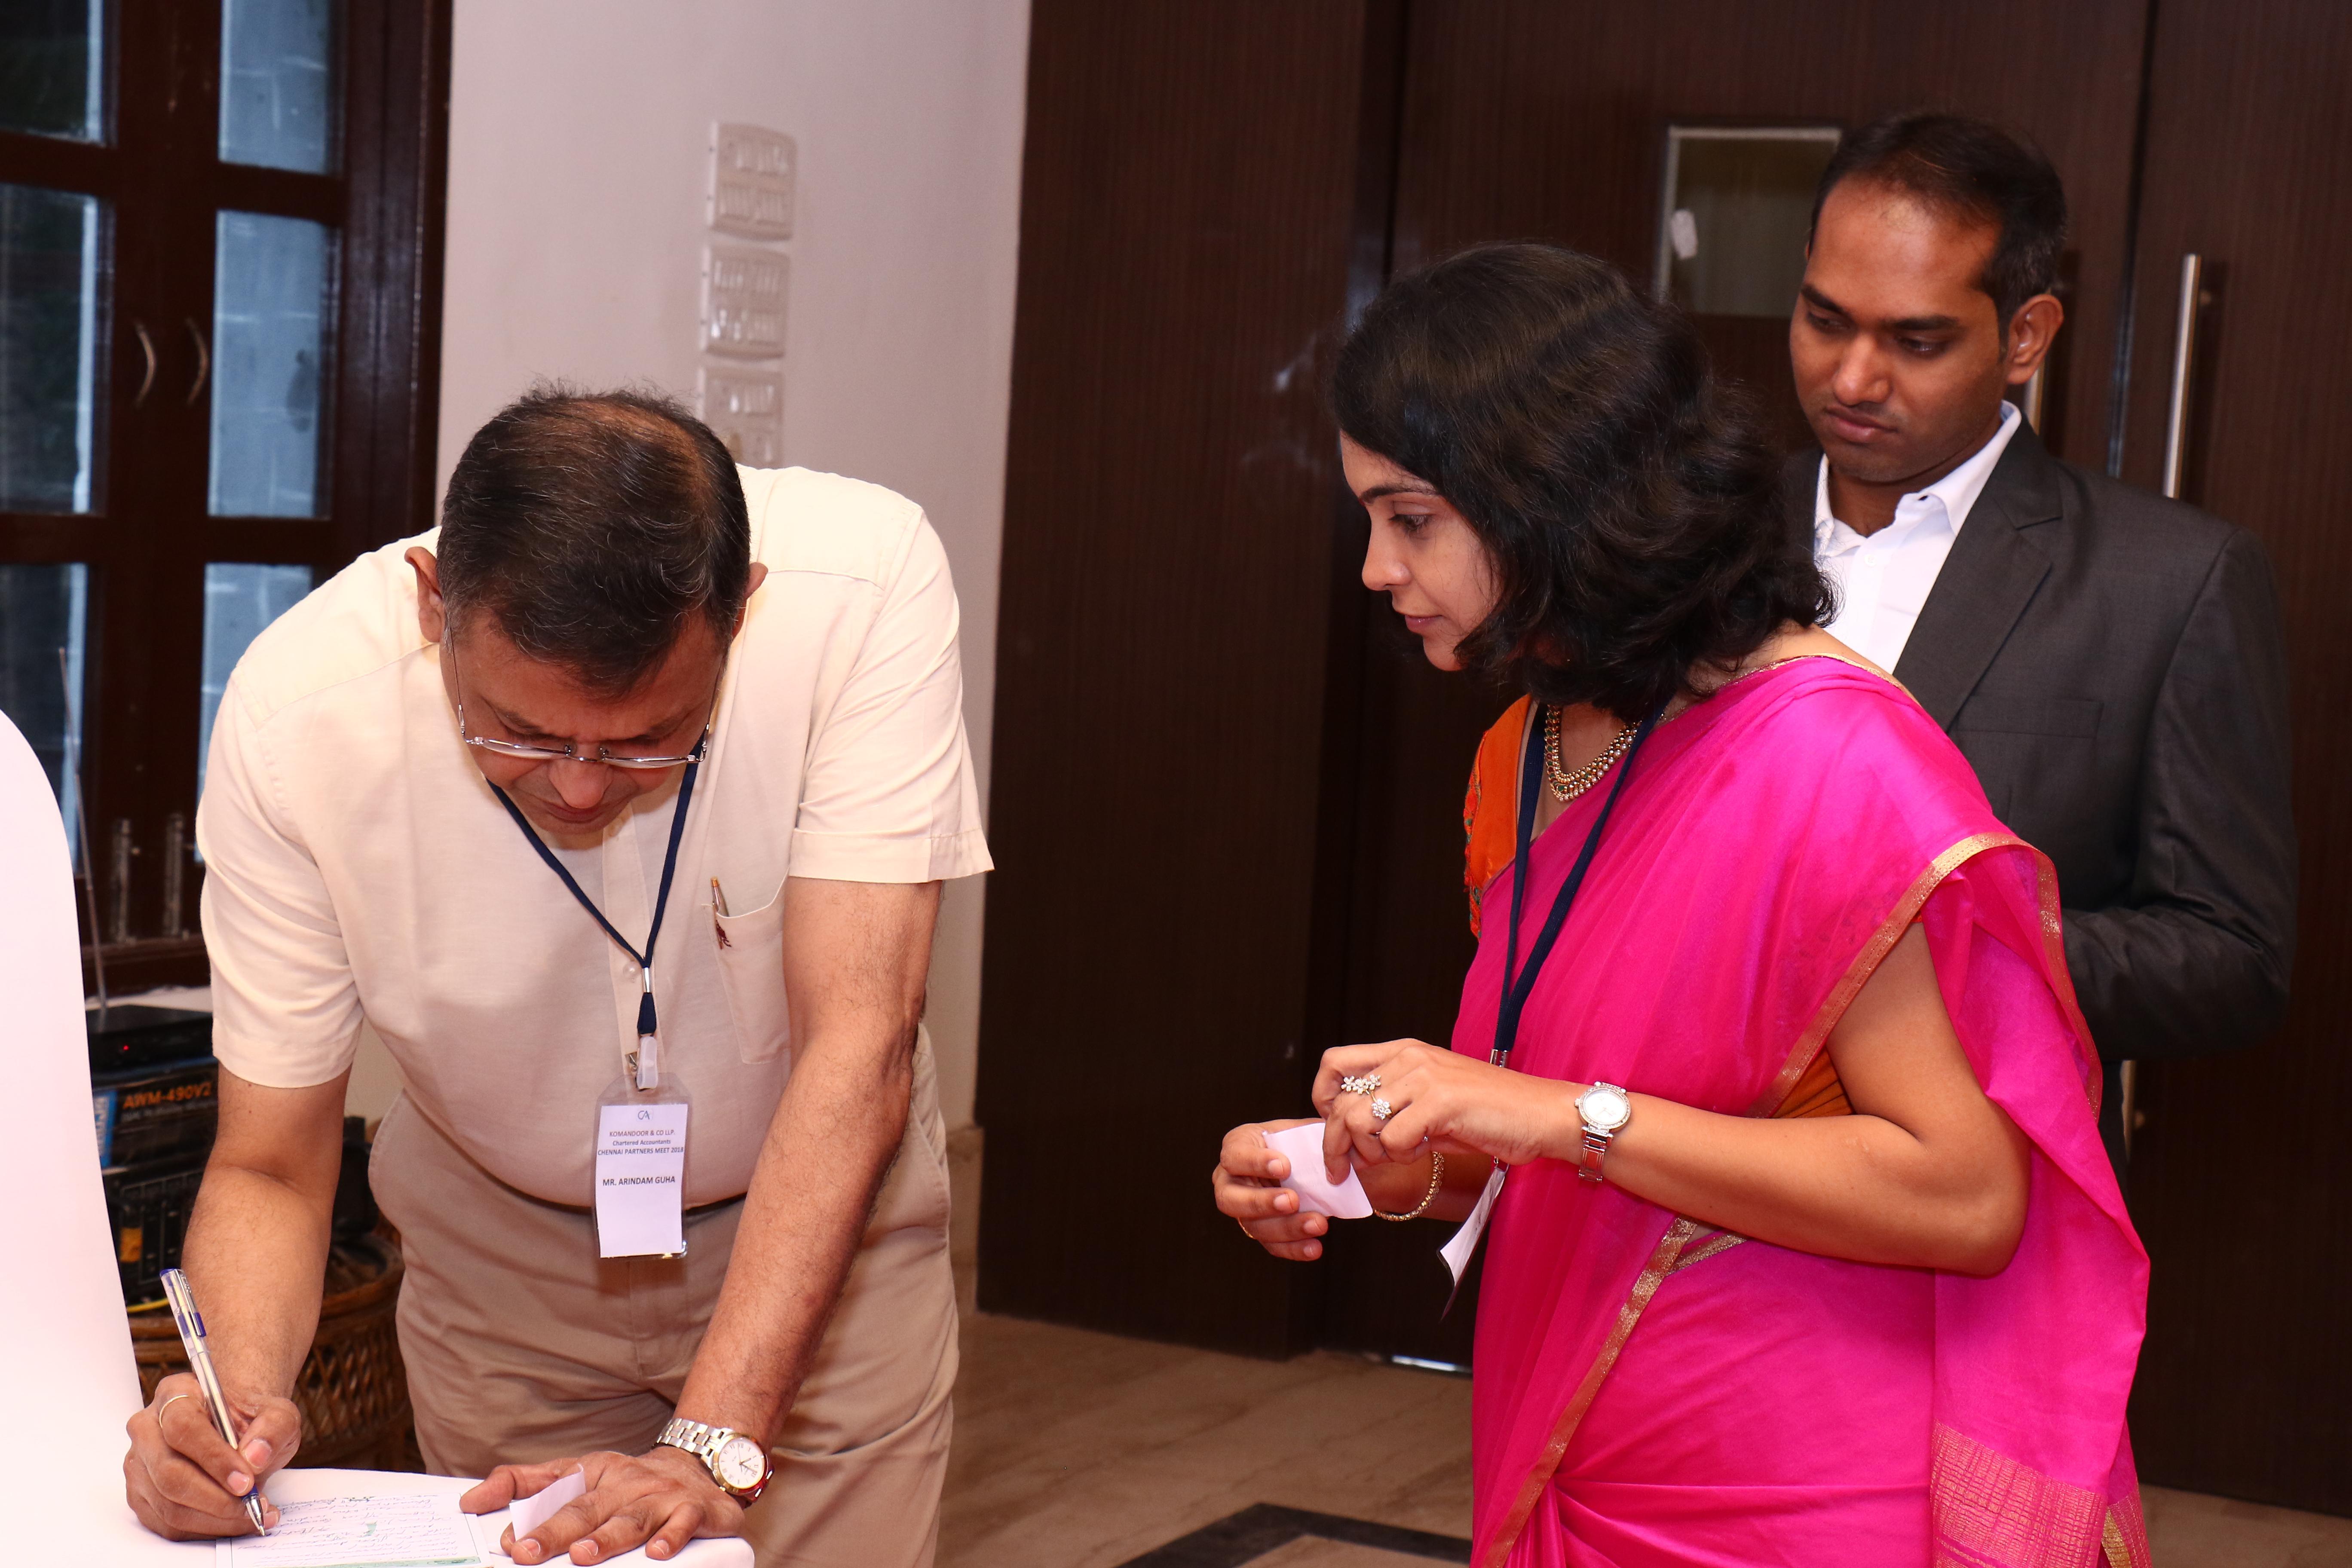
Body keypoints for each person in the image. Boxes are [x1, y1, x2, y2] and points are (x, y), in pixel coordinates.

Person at [1213, 246, 2151, 1566]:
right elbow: (1556, 1140)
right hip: (1585, 1444)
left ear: (1550, 498)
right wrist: (1380, 1163)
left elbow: (1965, 1197)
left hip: (1799, 1484)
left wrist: (1556, 1114)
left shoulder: (1828, 760)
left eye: (1410, 518)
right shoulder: (1523, 753)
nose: (1375, 567)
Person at [122, 389, 989, 1567]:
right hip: (501, 1264)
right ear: (435, 604)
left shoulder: (864, 588)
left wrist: (712, 1444)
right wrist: (227, 1414)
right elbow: (272, 1162)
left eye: (646, 741)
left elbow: (861, 1043)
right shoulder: (297, 720)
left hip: (820, 1243)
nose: (580, 787)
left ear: (741, 611)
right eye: (520, 733)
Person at [1788, 111, 2295, 1171]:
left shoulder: (2170, 583)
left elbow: (2232, 960)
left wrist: (1941, 949)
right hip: (1670, 1171)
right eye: (1825, 320)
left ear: (2026, 337)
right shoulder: (1691, 534)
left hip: (1982, 1202)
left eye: (1916, 342)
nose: (1853, 379)